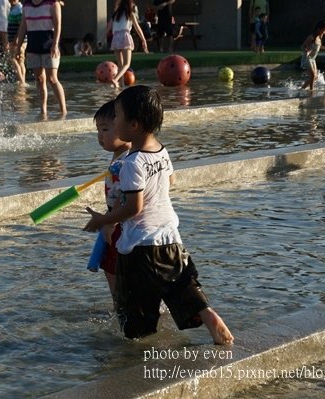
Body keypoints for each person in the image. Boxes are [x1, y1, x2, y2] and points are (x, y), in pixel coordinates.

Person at [83, 85, 234, 344]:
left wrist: (103, 220)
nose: (114, 120)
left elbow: (133, 208)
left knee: (136, 316)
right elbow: (170, 180)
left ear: (133, 125)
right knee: (181, 284)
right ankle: (207, 314)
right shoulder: (161, 152)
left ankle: (137, 362)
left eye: (117, 117)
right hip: (170, 236)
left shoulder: (132, 163)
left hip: (140, 245)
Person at [92, 100, 131, 309]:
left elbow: (123, 195)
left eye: (105, 129)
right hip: (118, 220)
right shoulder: (120, 157)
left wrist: (110, 222)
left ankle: (121, 307)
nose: (100, 136)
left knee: (113, 268)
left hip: (119, 224)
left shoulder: (124, 161)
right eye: (98, 130)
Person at [16, 0, 67, 119]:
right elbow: (23, 26)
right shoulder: (26, 5)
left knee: (52, 79)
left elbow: (58, 24)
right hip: (33, 46)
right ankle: (43, 110)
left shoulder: (53, 3)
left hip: (49, 46)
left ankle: (63, 110)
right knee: (39, 79)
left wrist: (55, 44)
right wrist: (18, 46)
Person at [108, 0, 148, 88]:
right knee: (127, 64)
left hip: (115, 38)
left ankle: (121, 85)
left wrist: (101, 39)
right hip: (124, 36)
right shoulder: (130, 14)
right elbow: (137, 28)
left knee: (120, 64)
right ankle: (115, 79)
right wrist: (143, 40)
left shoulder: (115, 15)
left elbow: (108, 27)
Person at [300, 20, 325, 91]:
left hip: (313, 59)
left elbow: (318, 46)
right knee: (313, 75)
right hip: (307, 58)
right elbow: (302, 46)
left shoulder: (320, 37)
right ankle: (311, 90)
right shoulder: (311, 37)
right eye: (324, 30)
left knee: (315, 77)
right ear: (319, 29)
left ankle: (302, 88)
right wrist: (306, 50)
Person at [8, 0, 27, 84]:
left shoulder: (19, 9)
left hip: (18, 40)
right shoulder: (13, 8)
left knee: (14, 59)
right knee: (19, 61)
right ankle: (22, 80)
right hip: (13, 39)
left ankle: (22, 81)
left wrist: (17, 39)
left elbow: (21, 26)